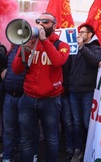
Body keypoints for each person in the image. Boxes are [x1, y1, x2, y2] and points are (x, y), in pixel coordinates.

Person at [12, 13, 70, 162]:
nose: (41, 24)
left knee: (51, 138)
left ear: (54, 26)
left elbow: (58, 62)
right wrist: (25, 50)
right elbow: (16, 69)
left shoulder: (62, 45)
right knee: (26, 140)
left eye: (46, 21)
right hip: (28, 99)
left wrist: (44, 41)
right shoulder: (29, 42)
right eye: (38, 21)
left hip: (50, 100)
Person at [66, 24, 101, 162]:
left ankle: (90, 148)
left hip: (88, 91)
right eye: (79, 32)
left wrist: (82, 47)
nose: (80, 34)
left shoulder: (97, 48)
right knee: (76, 122)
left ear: (90, 34)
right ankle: (78, 149)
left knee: (87, 122)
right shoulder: (75, 48)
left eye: (82, 32)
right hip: (74, 90)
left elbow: (95, 61)